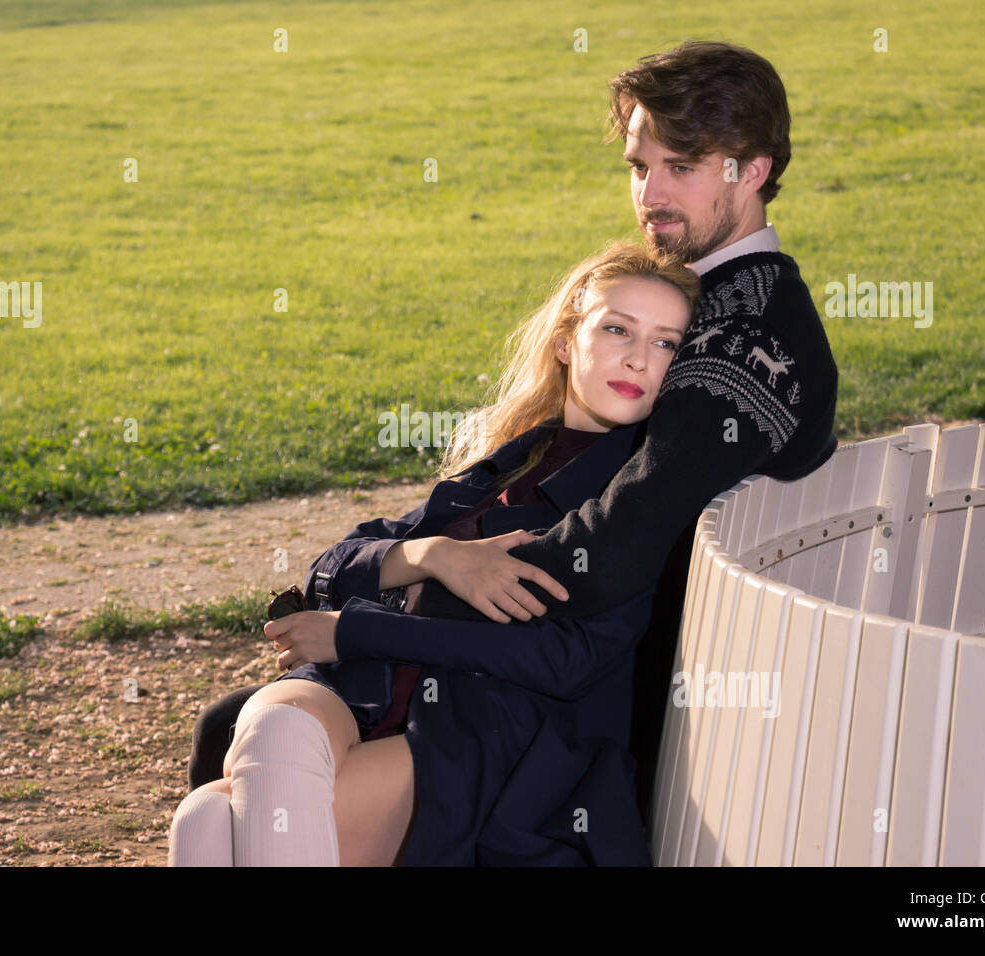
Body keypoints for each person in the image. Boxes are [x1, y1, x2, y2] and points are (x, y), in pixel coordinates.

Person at [185, 40, 840, 824]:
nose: (651, 194)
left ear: (754, 170)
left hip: (620, 712)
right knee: (236, 731)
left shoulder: (745, 333)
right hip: (578, 667)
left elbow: (611, 549)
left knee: (247, 760)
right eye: (640, 166)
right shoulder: (705, 300)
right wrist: (425, 560)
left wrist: (392, 605)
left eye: (682, 167)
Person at [168, 242, 699, 865]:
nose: (638, 357)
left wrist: (359, 630)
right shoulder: (510, 458)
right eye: (617, 329)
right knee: (264, 744)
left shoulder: (635, 493)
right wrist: (432, 556)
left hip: (479, 729)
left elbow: (565, 659)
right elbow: (332, 566)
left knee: (210, 822)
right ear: (565, 341)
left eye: (665, 342)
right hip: (361, 690)